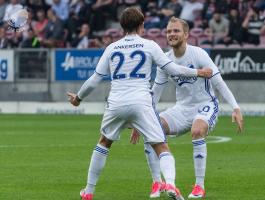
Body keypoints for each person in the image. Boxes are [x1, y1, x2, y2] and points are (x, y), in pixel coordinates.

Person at [67, 8, 213, 200]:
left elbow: (95, 79)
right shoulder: (149, 45)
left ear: (122, 27)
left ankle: (88, 191)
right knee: (161, 147)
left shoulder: (112, 48)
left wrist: (78, 98)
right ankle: (169, 183)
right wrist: (197, 72)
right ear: (142, 25)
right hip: (141, 102)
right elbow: (173, 69)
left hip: (116, 102)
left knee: (103, 142)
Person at [130, 17, 243, 199]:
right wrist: (143, 118)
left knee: (197, 130)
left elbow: (218, 82)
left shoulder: (198, 54)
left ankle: (199, 186)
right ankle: (157, 182)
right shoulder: (165, 60)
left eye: (176, 31)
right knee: (151, 127)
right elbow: (155, 92)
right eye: (168, 31)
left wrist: (235, 108)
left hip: (205, 105)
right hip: (182, 109)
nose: (171, 34)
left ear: (186, 34)